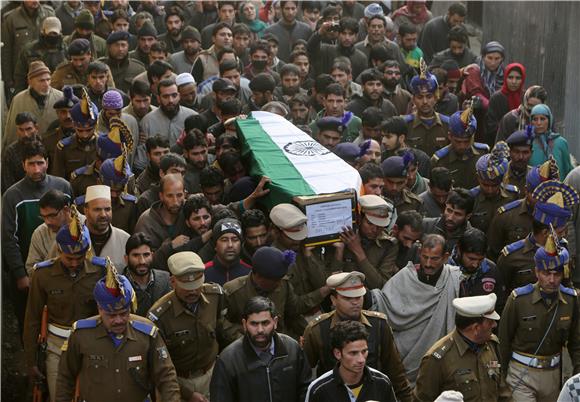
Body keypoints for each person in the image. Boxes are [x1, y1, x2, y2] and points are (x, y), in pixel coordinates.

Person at [55, 259, 181, 401]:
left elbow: (166, 376)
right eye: (112, 315)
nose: (119, 320)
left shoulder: (147, 333)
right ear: (99, 309)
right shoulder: (81, 335)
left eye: (123, 313)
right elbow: (65, 378)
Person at [23, 206, 103, 402]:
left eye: (79, 258)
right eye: (69, 258)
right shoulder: (43, 275)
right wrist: (31, 361)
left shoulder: (100, 272)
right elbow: (32, 318)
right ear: (58, 250)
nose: (75, 263)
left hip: (91, 346)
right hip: (56, 347)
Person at [303, 271, 413, 402]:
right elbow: (303, 373)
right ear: (333, 300)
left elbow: (395, 370)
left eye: (359, 297)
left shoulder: (378, 324)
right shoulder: (318, 329)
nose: (355, 302)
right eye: (348, 298)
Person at [499, 230, 580, 401]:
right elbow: (503, 342)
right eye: (546, 273)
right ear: (537, 272)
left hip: (553, 375)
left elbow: (575, 343)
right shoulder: (519, 300)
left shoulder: (571, 300)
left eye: (556, 274)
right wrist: (502, 381)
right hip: (521, 373)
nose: (552, 280)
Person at [2, 140, 73, 335]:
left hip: (64, 268)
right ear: (23, 165)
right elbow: (8, 238)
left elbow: (74, 224)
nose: (36, 169)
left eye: (40, 163)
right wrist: (19, 273)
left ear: (47, 162)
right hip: (28, 270)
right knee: (29, 321)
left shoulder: (63, 187)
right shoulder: (12, 196)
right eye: (31, 164)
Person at [148, 251, 237, 401]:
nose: (193, 291)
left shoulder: (215, 296)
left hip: (212, 375)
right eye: (186, 287)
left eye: (196, 285)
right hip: (177, 383)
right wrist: (188, 394)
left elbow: (223, 331)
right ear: (172, 282)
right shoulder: (159, 316)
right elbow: (158, 366)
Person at [377, 234, 461, 382]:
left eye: (434, 258)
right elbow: (384, 305)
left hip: (436, 358)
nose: (428, 263)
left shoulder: (454, 279)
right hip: (403, 354)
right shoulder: (404, 277)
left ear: (445, 257)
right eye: (424, 257)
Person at [210, 295, 311, 402]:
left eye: (265, 323)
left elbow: (305, 390)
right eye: (254, 324)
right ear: (244, 324)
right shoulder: (228, 359)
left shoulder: (292, 348)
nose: (260, 330)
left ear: (275, 322)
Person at [414, 293, 511, 402]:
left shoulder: (492, 345)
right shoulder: (437, 359)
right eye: (490, 322)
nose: (494, 325)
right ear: (476, 328)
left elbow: (502, 391)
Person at [498, 179, 579, 293]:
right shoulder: (511, 256)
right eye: (560, 232)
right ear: (546, 233)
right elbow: (501, 295)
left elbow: (566, 286)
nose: (564, 235)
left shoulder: (562, 249)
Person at [224, 246, 311, 340]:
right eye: (274, 280)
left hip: (279, 342)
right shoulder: (233, 291)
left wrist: (306, 334)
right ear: (257, 276)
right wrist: (244, 339)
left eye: (280, 279)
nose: (279, 284)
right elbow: (223, 324)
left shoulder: (284, 284)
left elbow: (294, 312)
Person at [305, 320, 398, 402]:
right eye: (353, 353)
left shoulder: (382, 382)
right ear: (338, 353)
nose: (361, 359)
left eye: (364, 351)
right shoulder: (319, 389)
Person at [487, 160, 558, 262]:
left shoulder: (558, 218)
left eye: (547, 194)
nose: (542, 199)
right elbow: (493, 256)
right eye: (536, 194)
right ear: (526, 190)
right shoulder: (506, 216)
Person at [269, 204, 329, 314]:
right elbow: (291, 306)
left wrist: (309, 257)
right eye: (291, 237)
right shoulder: (274, 260)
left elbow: (322, 281)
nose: (297, 241)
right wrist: (322, 292)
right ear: (277, 232)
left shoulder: (305, 248)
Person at [336, 195, 398, 287]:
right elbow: (332, 278)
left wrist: (359, 252)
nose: (374, 229)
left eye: (379, 225)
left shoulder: (389, 245)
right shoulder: (344, 237)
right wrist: (339, 251)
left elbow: (381, 284)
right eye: (370, 223)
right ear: (360, 219)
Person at [4, 61, 63, 148]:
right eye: (41, 81)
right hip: (27, 151)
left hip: (54, 150)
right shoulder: (18, 100)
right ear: (30, 81)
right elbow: (11, 133)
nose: (46, 84)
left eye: (48, 79)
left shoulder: (60, 97)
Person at [1, 0, 55, 93]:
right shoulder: (11, 18)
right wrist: (8, 80)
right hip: (21, 75)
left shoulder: (49, 14)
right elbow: (6, 51)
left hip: (45, 75)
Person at [432, 106, 490, 190]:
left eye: (466, 141)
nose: (462, 146)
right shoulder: (439, 160)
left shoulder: (483, 153)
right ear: (449, 136)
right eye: (458, 141)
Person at [450, 228, 507, 312]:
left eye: (480, 259)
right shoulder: (445, 269)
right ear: (459, 250)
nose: (475, 264)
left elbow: (499, 304)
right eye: (471, 259)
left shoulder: (492, 270)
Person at [470, 142, 519, 233]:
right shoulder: (471, 198)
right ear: (478, 178)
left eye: (494, 185)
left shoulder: (512, 195)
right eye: (485, 185)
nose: (490, 190)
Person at [405, 59, 450, 157]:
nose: (425, 102)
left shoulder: (447, 124)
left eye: (429, 97)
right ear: (413, 99)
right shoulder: (405, 124)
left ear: (435, 97)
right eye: (420, 97)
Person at [26, 190, 75, 275]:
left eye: (52, 215)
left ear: (66, 210)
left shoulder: (84, 226)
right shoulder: (40, 233)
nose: (47, 222)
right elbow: (31, 269)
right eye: (43, 217)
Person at [13, 16, 68, 93]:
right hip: (34, 93)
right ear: (43, 31)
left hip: (59, 94)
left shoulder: (66, 50)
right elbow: (20, 76)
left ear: (60, 32)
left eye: (55, 33)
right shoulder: (29, 50)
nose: (52, 36)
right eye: (50, 33)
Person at [52, 91, 98, 180]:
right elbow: (59, 179)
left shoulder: (104, 145)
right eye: (80, 131)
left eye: (89, 130)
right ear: (74, 125)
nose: (85, 135)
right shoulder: (63, 147)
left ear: (96, 126)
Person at [122, 232, 171, 317]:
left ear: (152, 255)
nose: (142, 261)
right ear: (126, 258)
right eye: (136, 255)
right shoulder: (118, 285)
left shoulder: (165, 279)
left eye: (146, 255)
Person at [134, 173, 187, 250]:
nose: (175, 202)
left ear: (184, 194)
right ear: (161, 196)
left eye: (179, 195)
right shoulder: (146, 221)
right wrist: (169, 246)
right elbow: (142, 256)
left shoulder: (192, 211)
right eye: (170, 196)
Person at [83, 184, 130, 269]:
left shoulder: (125, 240)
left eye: (107, 209)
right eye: (97, 209)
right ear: (86, 211)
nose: (103, 215)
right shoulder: (71, 239)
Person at [141, 79, 197, 147]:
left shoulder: (193, 117)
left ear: (179, 96)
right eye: (165, 96)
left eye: (174, 95)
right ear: (158, 98)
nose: (170, 100)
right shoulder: (147, 122)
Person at [529, 104, 573, 179]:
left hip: (559, 188)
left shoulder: (560, 143)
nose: (539, 123)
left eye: (542, 119)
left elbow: (568, 171)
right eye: (535, 119)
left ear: (549, 121)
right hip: (534, 189)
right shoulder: (528, 143)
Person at [204, 218, 251, 286]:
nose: (230, 245)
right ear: (215, 245)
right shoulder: (203, 273)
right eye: (224, 240)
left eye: (235, 240)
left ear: (241, 244)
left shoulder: (250, 274)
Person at [2, 112, 40, 193]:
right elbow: (7, 184)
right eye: (21, 130)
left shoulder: (47, 145)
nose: (25, 134)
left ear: (36, 128)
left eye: (28, 129)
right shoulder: (11, 152)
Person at [486, 63, 526, 139]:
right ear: (505, 78)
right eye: (510, 77)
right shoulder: (496, 98)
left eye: (518, 78)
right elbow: (490, 125)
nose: (514, 82)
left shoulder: (525, 97)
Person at [503, 127, 534, 196]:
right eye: (516, 152)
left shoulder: (535, 176)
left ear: (531, 153)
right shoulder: (500, 175)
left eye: (525, 152)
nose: (521, 157)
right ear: (509, 152)